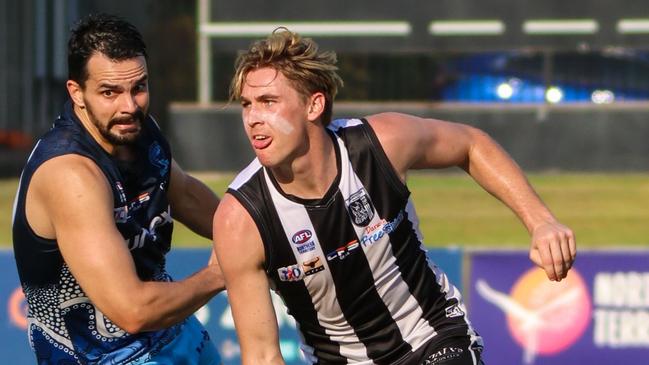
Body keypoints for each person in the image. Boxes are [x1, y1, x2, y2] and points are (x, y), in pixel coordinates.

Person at [212, 29, 577, 365]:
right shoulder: (240, 218)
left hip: (432, 337)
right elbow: (261, 355)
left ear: (314, 105)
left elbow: (471, 144)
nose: (254, 118)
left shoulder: (379, 144)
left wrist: (541, 221)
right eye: (247, 105)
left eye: (268, 101)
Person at [12, 14, 223, 364]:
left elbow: (184, 194)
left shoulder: (133, 127)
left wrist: (259, 234)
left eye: (138, 88)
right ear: (76, 93)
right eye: (109, 92)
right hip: (104, 357)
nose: (128, 106)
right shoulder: (70, 174)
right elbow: (133, 310)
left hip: (173, 332)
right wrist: (222, 272)